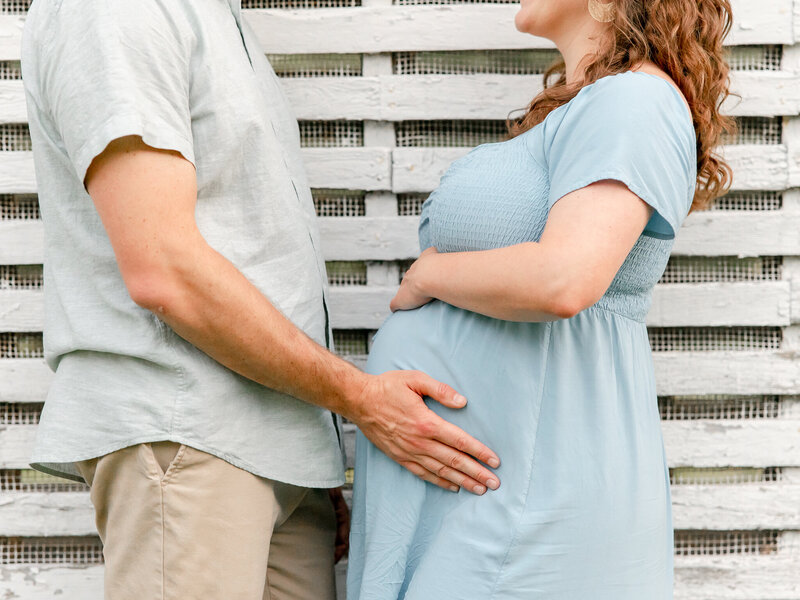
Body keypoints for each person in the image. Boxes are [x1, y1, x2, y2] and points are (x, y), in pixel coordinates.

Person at [20, 1, 501, 598]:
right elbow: (164, 266)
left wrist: (305, 447)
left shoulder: (214, 16)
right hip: (187, 429)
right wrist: (358, 399)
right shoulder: (119, 10)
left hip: (275, 451)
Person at [347, 0, 734, 597]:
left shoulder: (636, 100)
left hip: (525, 502)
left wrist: (428, 274)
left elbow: (565, 279)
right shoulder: (596, 105)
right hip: (490, 493)